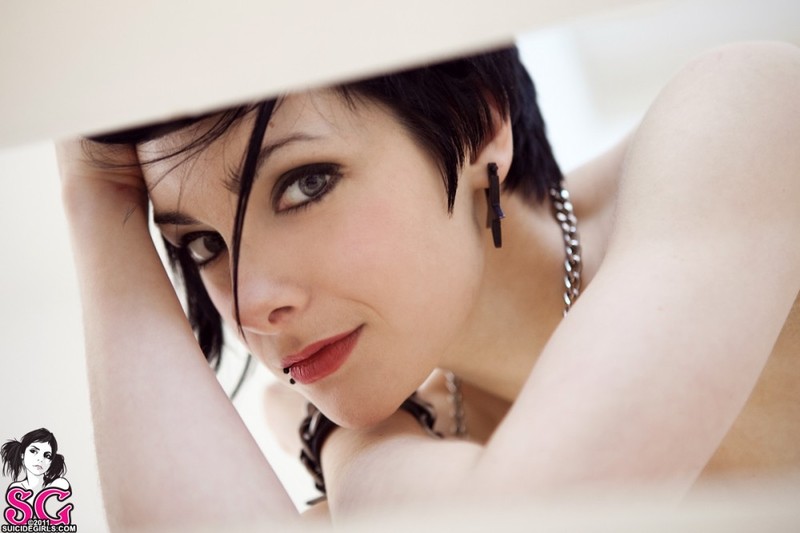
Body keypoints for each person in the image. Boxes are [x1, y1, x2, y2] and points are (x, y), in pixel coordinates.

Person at [56, 41, 800, 529]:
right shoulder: (424, 454)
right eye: (203, 244)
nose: (252, 306)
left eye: (305, 183)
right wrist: (95, 209)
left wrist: (341, 441)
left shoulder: (746, 113)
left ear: (480, 119)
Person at [2, 429, 70, 497]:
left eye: (47, 456)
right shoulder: (16, 488)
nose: (40, 459)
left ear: (51, 461)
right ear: (22, 454)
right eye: (33, 451)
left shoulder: (59, 484)